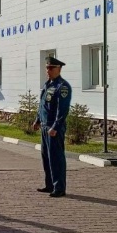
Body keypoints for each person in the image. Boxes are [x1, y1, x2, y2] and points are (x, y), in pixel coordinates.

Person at [32, 56, 72, 197]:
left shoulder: (62, 87)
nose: (48, 70)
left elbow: (63, 110)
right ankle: (49, 185)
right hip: (44, 126)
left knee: (56, 158)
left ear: (59, 69)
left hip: (54, 128)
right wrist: (37, 120)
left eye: (51, 68)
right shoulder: (48, 84)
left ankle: (59, 187)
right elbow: (42, 105)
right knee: (46, 158)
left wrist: (55, 126)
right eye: (47, 68)